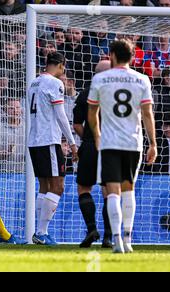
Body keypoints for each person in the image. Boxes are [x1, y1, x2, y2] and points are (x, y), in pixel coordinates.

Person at [88, 39, 157, 254]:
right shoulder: (142, 79)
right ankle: (127, 239)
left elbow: (92, 114)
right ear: (133, 57)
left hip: (110, 143)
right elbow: (147, 114)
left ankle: (117, 238)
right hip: (133, 143)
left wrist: (98, 137)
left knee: (112, 191)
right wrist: (153, 143)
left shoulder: (100, 78)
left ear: (112, 56)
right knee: (129, 189)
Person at [27, 52, 78, 246]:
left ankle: (38, 232)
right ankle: (41, 232)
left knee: (45, 186)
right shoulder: (55, 83)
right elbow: (61, 116)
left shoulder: (34, 83)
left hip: (34, 141)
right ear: (61, 65)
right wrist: (72, 143)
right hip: (48, 140)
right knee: (58, 186)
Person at [73, 60, 113, 248]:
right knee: (109, 192)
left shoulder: (84, 94)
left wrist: (88, 138)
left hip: (90, 145)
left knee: (84, 188)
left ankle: (91, 229)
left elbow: (76, 124)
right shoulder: (117, 94)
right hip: (111, 146)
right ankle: (108, 236)